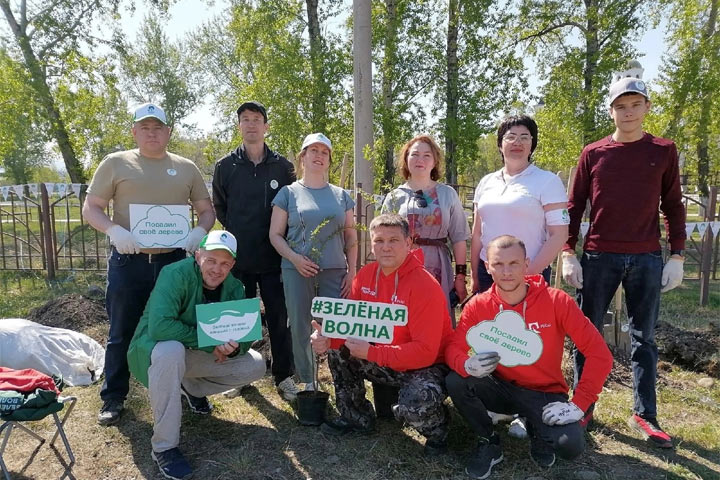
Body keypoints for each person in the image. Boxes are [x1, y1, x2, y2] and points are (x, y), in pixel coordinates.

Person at [562, 76, 686, 448]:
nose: (628, 112)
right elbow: (574, 206)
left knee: (643, 338)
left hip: (647, 257)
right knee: (587, 334)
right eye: (620, 106)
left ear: (647, 107)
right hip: (600, 255)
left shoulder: (663, 151)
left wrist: (677, 254)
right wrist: (568, 252)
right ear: (611, 110)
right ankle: (583, 405)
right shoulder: (594, 153)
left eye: (635, 105)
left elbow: (674, 205)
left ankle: (645, 415)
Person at [83, 103, 215, 426]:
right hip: (130, 260)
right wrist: (114, 230)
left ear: (169, 132)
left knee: (180, 326)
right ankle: (114, 396)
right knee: (121, 329)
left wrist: (199, 230)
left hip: (174, 263)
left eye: (158, 128)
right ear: (135, 132)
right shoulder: (115, 164)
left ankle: (191, 387)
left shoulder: (186, 169)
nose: (152, 133)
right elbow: (92, 208)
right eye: (145, 127)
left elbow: (206, 210)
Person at [446, 235, 612, 479]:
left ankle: (536, 427)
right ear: (488, 267)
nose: (506, 272)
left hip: (544, 392)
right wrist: (465, 363)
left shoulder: (557, 301)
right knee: (456, 380)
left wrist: (579, 403)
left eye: (513, 264)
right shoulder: (478, 306)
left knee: (569, 446)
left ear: (527, 264)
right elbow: (453, 347)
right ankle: (488, 442)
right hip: (500, 387)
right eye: (498, 265)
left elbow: (600, 354)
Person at [310, 213, 454, 455]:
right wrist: (327, 339)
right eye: (379, 241)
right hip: (386, 356)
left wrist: (373, 352)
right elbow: (351, 327)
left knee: (416, 401)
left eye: (393, 240)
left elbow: (426, 353)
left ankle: (438, 429)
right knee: (339, 352)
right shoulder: (365, 276)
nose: (385, 247)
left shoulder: (425, 285)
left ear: (408, 243)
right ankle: (357, 417)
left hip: (429, 367)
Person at [127, 230, 266, 480]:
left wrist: (234, 348)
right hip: (155, 352)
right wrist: (210, 343)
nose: (217, 269)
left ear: (233, 264)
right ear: (198, 255)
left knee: (255, 365)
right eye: (211, 260)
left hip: (192, 357)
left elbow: (243, 335)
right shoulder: (174, 274)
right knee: (171, 350)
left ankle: (191, 389)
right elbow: (159, 327)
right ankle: (164, 447)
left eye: (225, 263)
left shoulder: (235, 286)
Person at [212, 101, 298, 400]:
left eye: (257, 119)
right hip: (240, 259)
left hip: (275, 257)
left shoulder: (283, 167)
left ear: (266, 126)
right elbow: (221, 206)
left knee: (278, 317)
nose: (251, 124)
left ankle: (284, 377)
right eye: (245, 119)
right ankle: (240, 375)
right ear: (239, 126)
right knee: (240, 318)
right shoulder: (225, 166)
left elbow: (290, 207)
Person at [269, 133, 357, 390]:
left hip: (334, 270)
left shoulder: (342, 196)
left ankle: (342, 380)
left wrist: (353, 272)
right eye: (313, 151)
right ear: (303, 157)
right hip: (298, 270)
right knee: (300, 324)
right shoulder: (289, 193)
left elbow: (351, 235)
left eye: (324, 152)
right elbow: (275, 235)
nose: (319, 156)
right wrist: (295, 259)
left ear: (329, 160)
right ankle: (309, 381)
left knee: (335, 324)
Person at [471, 115, 569, 294]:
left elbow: (559, 235)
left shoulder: (548, 181)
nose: (517, 142)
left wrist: (529, 274)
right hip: (488, 274)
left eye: (524, 137)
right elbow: (477, 233)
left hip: (530, 275)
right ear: (500, 144)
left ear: (532, 144)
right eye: (511, 137)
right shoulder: (486, 182)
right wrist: (474, 274)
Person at [382, 135, 470, 317]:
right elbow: (383, 238)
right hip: (403, 264)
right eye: (414, 154)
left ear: (435, 161)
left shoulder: (447, 194)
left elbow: (459, 237)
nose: (420, 160)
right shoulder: (394, 197)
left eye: (426, 155)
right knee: (405, 316)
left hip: (438, 265)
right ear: (406, 160)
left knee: (436, 317)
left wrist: (460, 276)